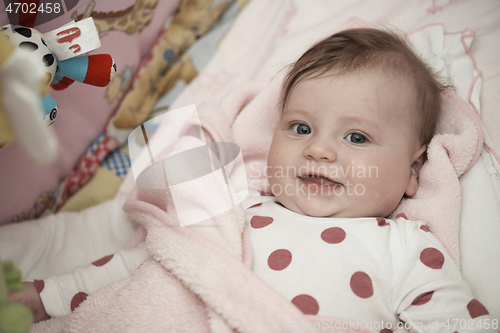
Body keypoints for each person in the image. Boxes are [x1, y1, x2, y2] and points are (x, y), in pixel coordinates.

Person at [6, 28, 496, 331]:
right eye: (301, 128)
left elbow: (461, 323)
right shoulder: (236, 205)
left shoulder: (406, 248)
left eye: (357, 137)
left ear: (413, 172)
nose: (319, 149)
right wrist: (45, 295)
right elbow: (147, 264)